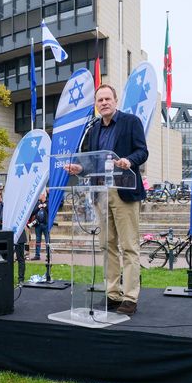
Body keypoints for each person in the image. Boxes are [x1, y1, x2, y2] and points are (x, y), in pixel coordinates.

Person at [65, 84, 148, 315]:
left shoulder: (131, 122)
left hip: (123, 191)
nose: (103, 103)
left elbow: (143, 152)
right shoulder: (93, 129)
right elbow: (90, 163)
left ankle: (130, 297)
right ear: (96, 104)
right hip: (100, 193)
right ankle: (113, 294)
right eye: (99, 100)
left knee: (129, 246)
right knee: (107, 245)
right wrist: (78, 168)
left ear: (115, 100)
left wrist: (129, 161)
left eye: (107, 99)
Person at [29, 191, 49, 261]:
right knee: (37, 240)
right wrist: (38, 207)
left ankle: (48, 256)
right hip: (38, 225)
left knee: (47, 240)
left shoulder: (48, 202)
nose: (38, 196)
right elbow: (32, 212)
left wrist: (45, 207)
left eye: (39, 194)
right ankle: (37, 255)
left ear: (43, 195)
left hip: (46, 224)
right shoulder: (37, 203)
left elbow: (50, 211)